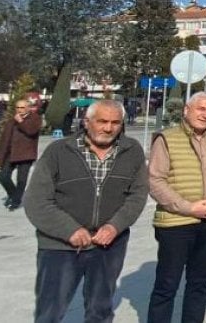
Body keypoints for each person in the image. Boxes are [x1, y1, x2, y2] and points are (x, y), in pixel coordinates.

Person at [24, 100, 148, 323]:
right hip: (60, 246)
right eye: (102, 121)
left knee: (100, 310)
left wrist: (114, 226)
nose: (108, 128)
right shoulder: (59, 151)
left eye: (115, 123)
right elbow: (37, 201)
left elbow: (137, 195)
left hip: (108, 245)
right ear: (87, 121)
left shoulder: (132, 151)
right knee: (50, 310)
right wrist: (69, 230)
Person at [147, 91, 206, 323]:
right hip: (176, 224)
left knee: (200, 283)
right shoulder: (166, 139)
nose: (205, 115)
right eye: (201, 109)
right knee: (167, 285)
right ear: (187, 110)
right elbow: (155, 181)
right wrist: (189, 208)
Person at [0, 97, 43, 211]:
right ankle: (13, 195)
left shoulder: (35, 118)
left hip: (26, 154)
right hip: (11, 153)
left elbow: (31, 131)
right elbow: (4, 138)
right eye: (17, 107)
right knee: (3, 176)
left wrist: (21, 122)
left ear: (28, 108)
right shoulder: (12, 120)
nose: (19, 110)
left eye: (22, 107)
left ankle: (16, 201)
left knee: (21, 180)